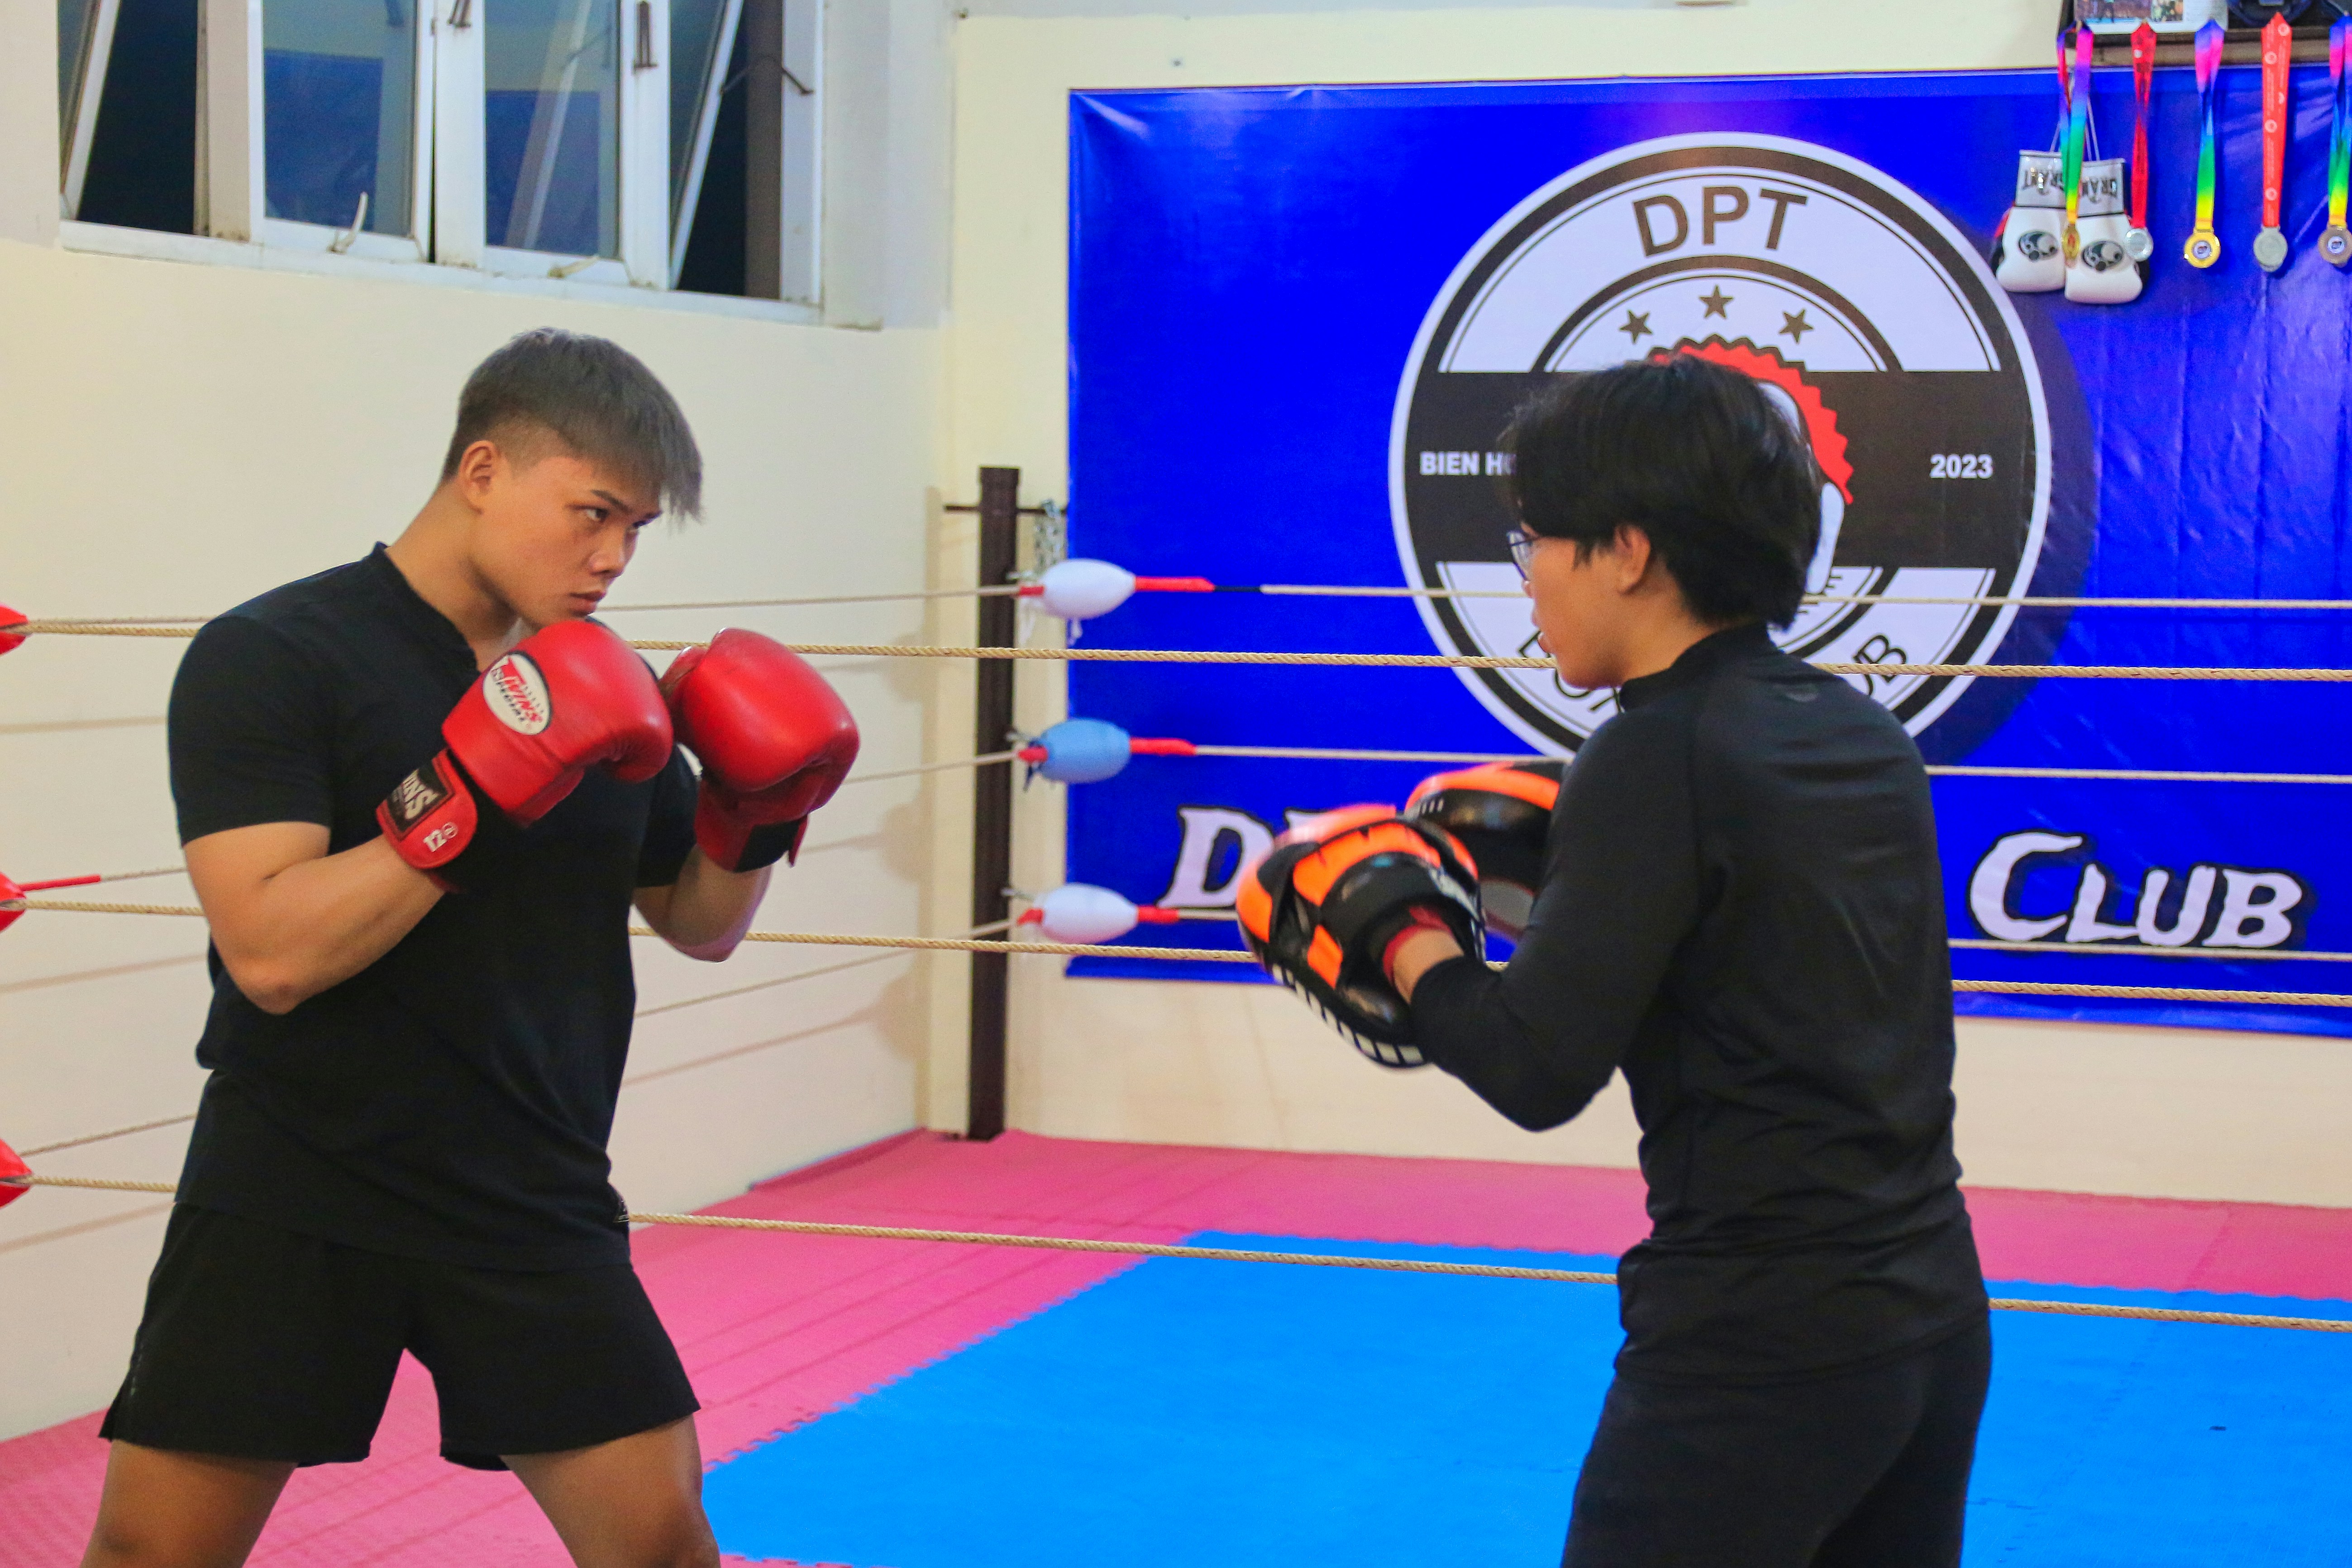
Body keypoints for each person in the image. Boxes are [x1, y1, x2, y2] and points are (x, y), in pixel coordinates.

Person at [83, 328, 858, 1568]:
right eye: (592, 512)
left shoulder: (615, 688)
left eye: (637, 530)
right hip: (297, 1178)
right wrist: (476, 786)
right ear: (485, 470)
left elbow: (701, 923)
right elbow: (272, 952)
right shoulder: (275, 656)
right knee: (153, 1557)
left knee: (662, 1546)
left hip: (530, 1187)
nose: (610, 558)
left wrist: (762, 809)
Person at [1240, 354, 1989, 1567]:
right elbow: (1745, 958)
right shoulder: (1857, 729)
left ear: (1628, 552)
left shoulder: (1655, 756)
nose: (1528, 576)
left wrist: (1390, 921)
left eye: (1538, 538)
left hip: (1756, 1347)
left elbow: (1537, 1069)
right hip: (1932, 1319)